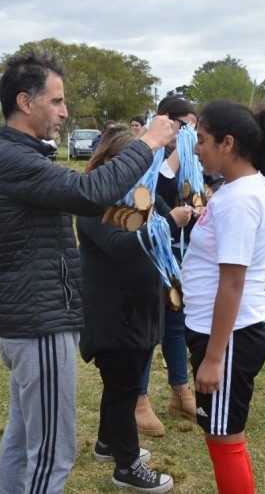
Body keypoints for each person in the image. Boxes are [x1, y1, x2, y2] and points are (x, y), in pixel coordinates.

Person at [0, 50, 175, 494]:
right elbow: (92, 193)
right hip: (39, 323)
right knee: (51, 451)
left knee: (24, 436)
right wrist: (149, 143)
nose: (65, 112)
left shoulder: (17, 155)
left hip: (34, 318)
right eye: (57, 101)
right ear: (26, 103)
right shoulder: (13, 159)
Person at [181, 100, 265, 493]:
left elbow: (233, 283)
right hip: (217, 333)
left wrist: (214, 358)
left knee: (225, 440)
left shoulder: (241, 200)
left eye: (202, 140)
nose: (196, 149)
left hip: (229, 339)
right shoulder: (235, 189)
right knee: (219, 436)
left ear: (227, 143)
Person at [78, 129, 189, 493]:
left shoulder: (140, 196)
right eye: (136, 164)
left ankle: (108, 443)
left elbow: (153, 227)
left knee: (119, 384)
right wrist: (170, 220)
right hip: (114, 315)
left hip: (139, 312)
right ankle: (126, 467)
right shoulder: (96, 203)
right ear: (111, 162)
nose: (142, 172)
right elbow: (121, 246)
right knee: (123, 388)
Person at [135, 95, 200, 438]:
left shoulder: (189, 156)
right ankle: (140, 400)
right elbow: (156, 185)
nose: (190, 132)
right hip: (151, 252)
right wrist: (177, 145)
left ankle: (180, 391)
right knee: (149, 332)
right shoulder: (147, 152)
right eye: (184, 125)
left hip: (180, 250)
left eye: (193, 126)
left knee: (176, 323)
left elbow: (193, 190)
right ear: (166, 121)